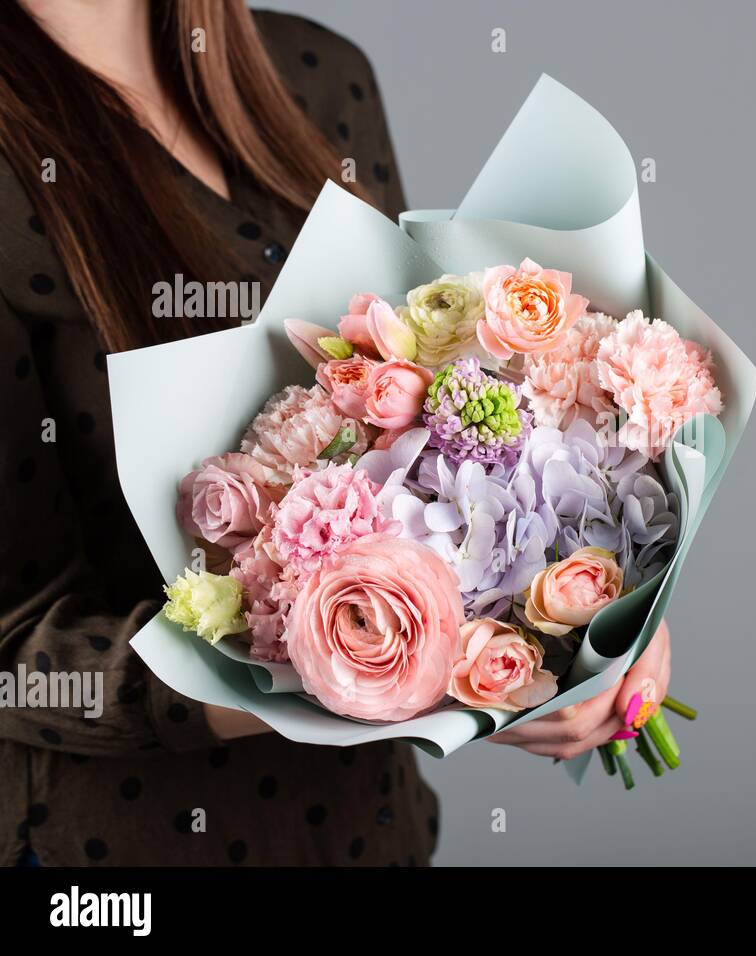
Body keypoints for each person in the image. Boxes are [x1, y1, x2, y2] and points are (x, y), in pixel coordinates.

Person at [0, 0, 671, 867]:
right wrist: (369, 671)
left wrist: (600, 602)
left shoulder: (321, 77)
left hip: (365, 833)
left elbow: (435, 411)